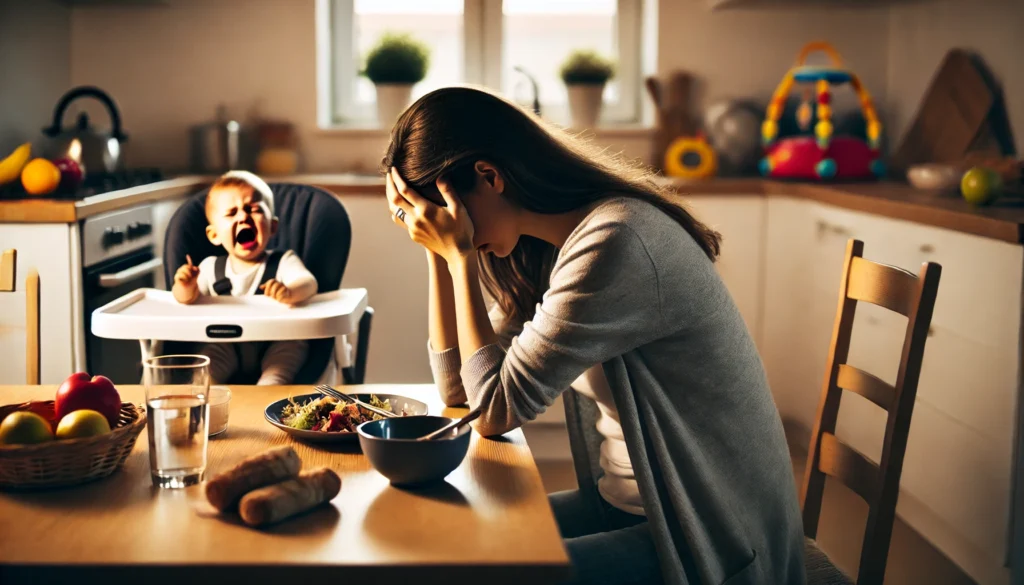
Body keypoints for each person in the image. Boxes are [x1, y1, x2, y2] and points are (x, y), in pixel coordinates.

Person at [382, 87, 805, 585]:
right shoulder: (554, 247)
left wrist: (459, 256)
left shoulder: (615, 241)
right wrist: (437, 252)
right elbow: (462, 391)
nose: (445, 231)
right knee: (455, 548)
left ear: (489, 177)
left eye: (442, 215)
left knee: (480, 574)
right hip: (633, 507)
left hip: (711, 540)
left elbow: (494, 411)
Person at [172, 170, 317, 385]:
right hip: (225, 343)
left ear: (272, 226)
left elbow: (308, 283)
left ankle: (264, 406)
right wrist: (184, 284)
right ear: (214, 235)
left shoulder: (283, 262)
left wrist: (289, 292)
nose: (243, 217)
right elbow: (185, 299)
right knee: (202, 379)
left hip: (277, 340)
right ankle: (206, 411)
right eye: (231, 213)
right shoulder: (210, 268)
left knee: (276, 378)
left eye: (254, 209)